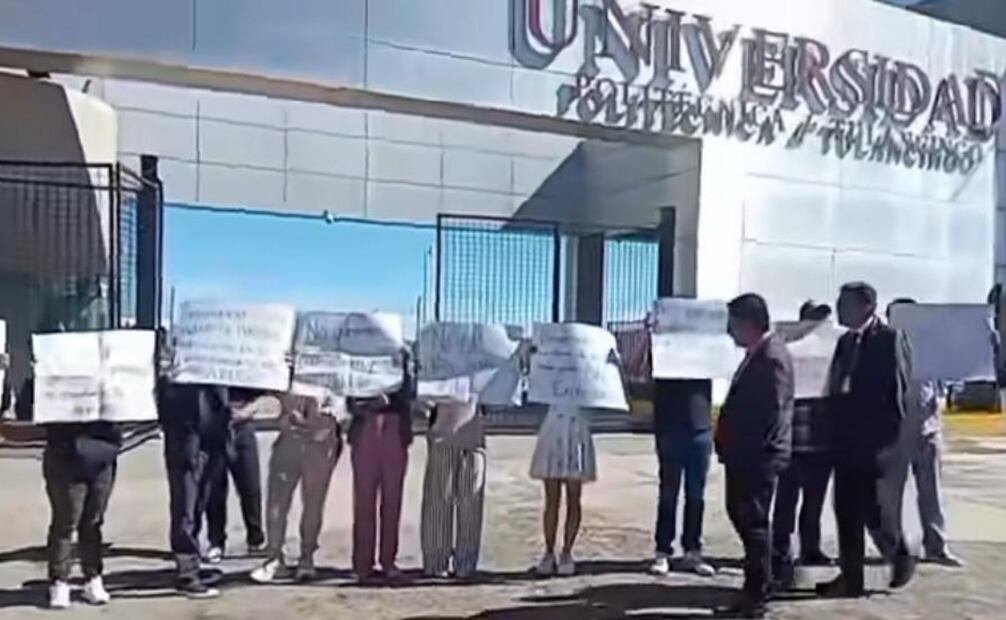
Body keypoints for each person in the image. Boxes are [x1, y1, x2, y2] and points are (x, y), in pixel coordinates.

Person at [816, 282, 916, 599]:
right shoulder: (846, 342)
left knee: (877, 512)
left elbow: (899, 397)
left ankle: (899, 553)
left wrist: (888, 446)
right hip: (845, 443)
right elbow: (837, 386)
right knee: (845, 510)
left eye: (845, 304)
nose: (839, 309)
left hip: (879, 447)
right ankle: (851, 578)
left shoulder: (890, 340)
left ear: (867, 307)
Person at [716, 293, 794, 618]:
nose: (728, 331)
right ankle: (762, 584)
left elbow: (772, 412)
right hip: (746, 456)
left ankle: (757, 595)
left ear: (747, 323)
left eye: (732, 324)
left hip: (756, 458)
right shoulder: (759, 352)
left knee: (754, 524)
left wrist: (748, 451)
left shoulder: (772, 356)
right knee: (747, 519)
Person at [23, 371, 123, 610]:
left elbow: (128, 400)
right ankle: (59, 580)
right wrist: (38, 377)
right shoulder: (52, 364)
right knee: (66, 522)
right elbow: (25, 410)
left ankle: (92, 577)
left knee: (93, 521)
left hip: (101, 453)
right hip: (64, 454)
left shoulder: (109, 365)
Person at [876, 299, 962, 567]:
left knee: (931, 491)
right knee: (890, 494)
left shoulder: (931, 351)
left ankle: (936, 545)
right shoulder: (881, 348)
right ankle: (892, 546)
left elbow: (945, 384)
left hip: (928, 428)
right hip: (895, 431)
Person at [157, 328, 228, 599]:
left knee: (198, 505)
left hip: (211, 444)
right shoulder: (174, 376)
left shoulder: (217, 368)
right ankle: (187, 575)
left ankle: (192, 565)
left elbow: (223, 401)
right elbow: (165, 407)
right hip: (185, 446)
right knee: (185, 509)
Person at [251, 388, 345, 583]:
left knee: (313, 502)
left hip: (320, 443)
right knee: (277, 502)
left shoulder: (333, 363)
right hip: (289, 439)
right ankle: (275, 558)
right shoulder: (289, 361)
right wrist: (285, 406)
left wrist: (322, 418)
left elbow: (338, 406)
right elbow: (270, 388)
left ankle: (307, 557)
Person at [771, 301, 835, 588]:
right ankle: (780, 552)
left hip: (821, 443)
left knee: (814, 502)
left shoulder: (832, 353)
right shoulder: (789, 350)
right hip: (793, 443)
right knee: (786, 502)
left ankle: (811, 549)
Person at [348, 353, 415, 581]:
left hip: (395, 429)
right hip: (365, 428)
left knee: (392, 499)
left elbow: (410, 392)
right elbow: (349, 398)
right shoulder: (356, 356)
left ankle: (389, 560)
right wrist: (369, 403)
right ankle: (362, 563)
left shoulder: (403, 358)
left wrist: (406, 366)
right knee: (364, 500)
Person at [648, 377, 716, 578]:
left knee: (696, 495)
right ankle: (663, 551)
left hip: (700, 425)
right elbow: (638, 369)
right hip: (669, 426)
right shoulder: (664, 347)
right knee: (669, 493)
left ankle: (692, 550)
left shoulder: (704, 347)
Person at [420, 397, 487, 579]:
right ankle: (435, 561)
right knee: (439, 500)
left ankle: (466, 562)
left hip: (474, 439)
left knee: (471, 503)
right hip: (442, 434)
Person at [529, 402, 595, 577]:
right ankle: (549, 551)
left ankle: (567, 552)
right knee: (552, 498)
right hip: (554, 426)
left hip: (577, 426)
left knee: (574, 497)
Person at [202, 388, 269, 562]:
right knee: (215, 489)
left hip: (243, 427)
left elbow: (260, 396)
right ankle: (216, 542)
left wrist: (247, 411)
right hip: (213, 427)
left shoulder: (243, 367)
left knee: (250, 486)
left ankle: (256, 538)